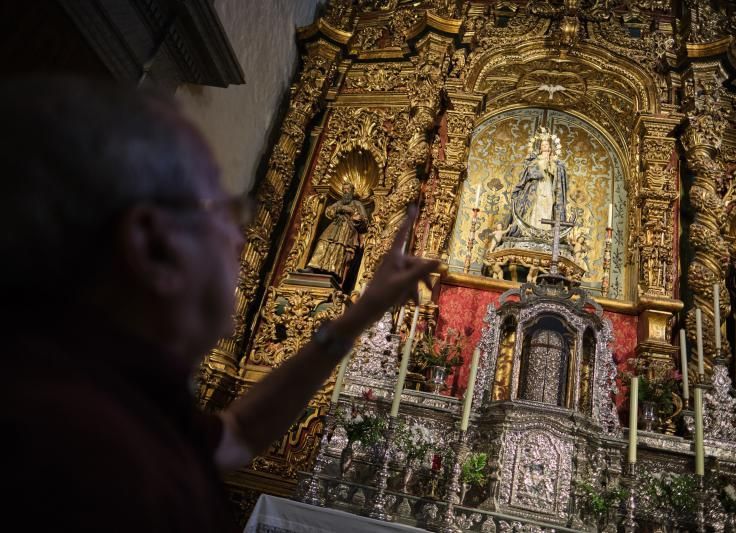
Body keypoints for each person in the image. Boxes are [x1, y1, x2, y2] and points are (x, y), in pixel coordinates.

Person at [0, 77, 439, 532]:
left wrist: (359, 315)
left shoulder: (109, 388)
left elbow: (239, 435)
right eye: (224, 212)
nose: (241, 237)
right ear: (153, 244)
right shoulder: (85, 464)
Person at [506, 127, 568, 238]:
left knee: (548, 205)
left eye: (546, 145)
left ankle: (545, 231)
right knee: (536, 206)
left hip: (548, 186)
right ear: (540, 147)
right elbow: (529, 171)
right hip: (536, 187)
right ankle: (533, 229)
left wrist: (551, 166)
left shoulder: (554, 161)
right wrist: (540, 169)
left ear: (550, 147)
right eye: (542, 145)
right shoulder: (535, 159)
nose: (544, 147)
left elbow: (558, 175)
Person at [305, 182, 369, 282]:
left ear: (352, 191)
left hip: (347, 229)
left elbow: (364, 220)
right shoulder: (339, 203)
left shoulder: (357, 204)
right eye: (344, 189)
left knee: (339, 247)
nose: (345, 191)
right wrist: (340, 208)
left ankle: (332, 271)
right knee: (323, 241)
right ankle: (313, 266)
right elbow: (328, 211)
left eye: (347, 189)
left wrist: (352, 213)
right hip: (334, 226)